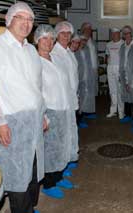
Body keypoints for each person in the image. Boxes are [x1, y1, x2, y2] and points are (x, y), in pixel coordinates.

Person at [0, 2, 47, 213]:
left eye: (30, 20)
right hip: (12, 121)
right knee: (17, 174)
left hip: (33, 120)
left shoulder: (31, 52)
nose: (26, 23)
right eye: (21, 18)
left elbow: (38, 87)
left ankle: (31, 207)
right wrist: (0, 122)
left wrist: (43, 115)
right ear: (9, 20)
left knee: (33, 168)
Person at [34, 25, 78, 199]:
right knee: (50, 148)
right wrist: (43, 115)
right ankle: (49, 183)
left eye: (51, 39)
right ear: (37, 40)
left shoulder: (55, 59)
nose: (48, 42)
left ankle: (58, 176)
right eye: (44, 38)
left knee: (61, 145)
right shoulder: (36, 62)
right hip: (49, 110)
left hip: (63, 108)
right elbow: (36, 90)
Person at [50, 21, 79, 172]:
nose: (66, 36)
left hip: (71, 99)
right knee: (60, 137)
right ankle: (57, 169)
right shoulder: (53, 54)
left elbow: (73, 78)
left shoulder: (69, 52)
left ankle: (66, 162)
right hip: (60, 103)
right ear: (56, 35)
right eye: (62, 33)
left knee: (69, 133)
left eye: (68, 33)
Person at [75, 35, 96, 123]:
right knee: (77, 99)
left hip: (86, 77)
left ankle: (82, 116)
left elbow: (89, 63)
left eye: (85, 41)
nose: (84, 42)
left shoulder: (86, 50)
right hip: (78, 78)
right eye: (82, 40)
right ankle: (78, 120)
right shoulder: (75, 51)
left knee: (84, 97)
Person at [105, 28, 124, 118]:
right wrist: (108, 65)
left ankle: (121, 112)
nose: (114, 36)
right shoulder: (108, 44)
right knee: (112, 90)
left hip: (119, 68)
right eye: (112, 34)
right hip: (110, 68)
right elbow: (107, 56)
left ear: (119, 34)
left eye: (116, 34)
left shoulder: (123, 43)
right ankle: (113, 110)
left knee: (119, 91)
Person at [119, 25, 133, 123]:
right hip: (123, 72)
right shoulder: (122, 46)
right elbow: (121, 60)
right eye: (125, 33)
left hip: (132, 73)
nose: (127, 35)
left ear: (131, 34)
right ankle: (128, 115)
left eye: (128, 33)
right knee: (125, 94)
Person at [81, 22, 99, 106]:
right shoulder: (81, 41)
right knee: (85, 89)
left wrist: (97, 67)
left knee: (92, 89)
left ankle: (90, 109)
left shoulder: (93, 42)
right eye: (87, 29)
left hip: (94, 69)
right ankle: (83, 110)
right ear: (83, 30)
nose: (89, 31)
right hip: (85, 69)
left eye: (90, 30)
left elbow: (95, 55)